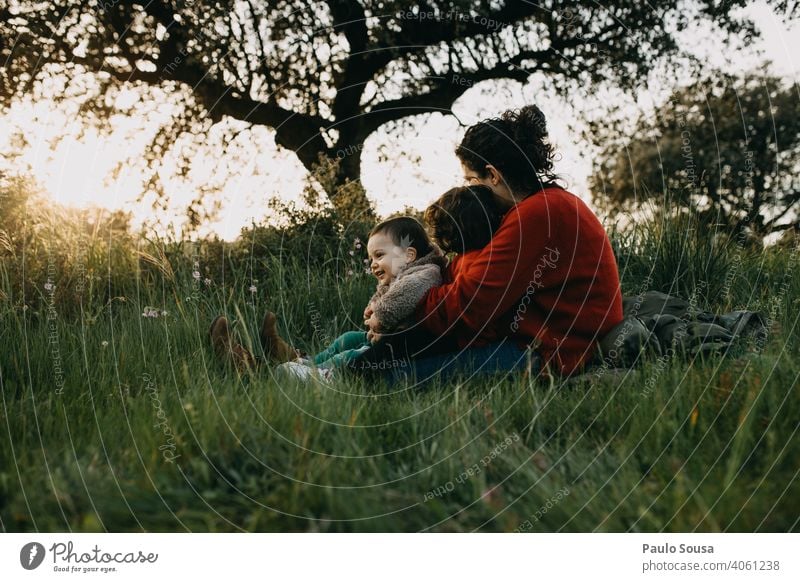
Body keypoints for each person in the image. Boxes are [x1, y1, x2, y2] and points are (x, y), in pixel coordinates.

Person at [397, 105, 624, 384]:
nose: (468, 189)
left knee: (390, 374)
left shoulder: (540, 213)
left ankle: (335, 377)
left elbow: (470, 306)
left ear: (492, 175)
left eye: (471, 180)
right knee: (363, 347)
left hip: (553, 354)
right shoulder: (536, 207)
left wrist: (403, 307)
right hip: (540, 342)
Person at [209, 216, 447, 377]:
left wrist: (380, 314)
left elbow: (405, 294)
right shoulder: (405, 273)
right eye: (371, 258)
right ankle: (300, 361)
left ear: (409, 255)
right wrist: (374, 305)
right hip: (384, 340)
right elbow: (386, 293)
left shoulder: (426, 273)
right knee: (348, 339)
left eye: (379, 255)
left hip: (395, 351)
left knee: (352, 355)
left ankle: (293, 374)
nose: (373, 264)